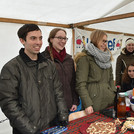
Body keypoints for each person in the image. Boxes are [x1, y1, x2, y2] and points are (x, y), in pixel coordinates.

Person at [0, 24, 68, 134]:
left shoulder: (49, 65)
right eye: (33, 38)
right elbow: (9, 103)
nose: (38, 42)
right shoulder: (11, 68)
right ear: (22, 40)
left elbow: (58, 92)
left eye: (40, 38)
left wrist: (63, 115)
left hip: (50, 127)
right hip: (25, 130)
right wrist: (30, 129)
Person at [75, 29, 116, 114]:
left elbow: (111, 78)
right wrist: (87, 104)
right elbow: (80, 84)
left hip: (109, 100)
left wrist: (113, 93)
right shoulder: (85, 58)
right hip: (94, 102)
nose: (105, 44)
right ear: (96, 40)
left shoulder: (107, 57)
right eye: (103, 41)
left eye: (106, 41)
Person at [42, 28, 80, 113]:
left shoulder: (69, 59)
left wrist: (75, 101)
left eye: (65, 38)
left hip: (67, 105)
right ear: (51, 39)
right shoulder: (43, 59)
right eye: (59, 38)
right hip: (50, 108)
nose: (63, 41)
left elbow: (73, 82)